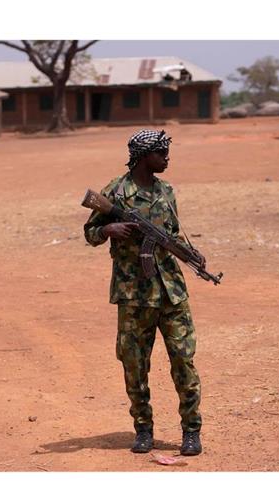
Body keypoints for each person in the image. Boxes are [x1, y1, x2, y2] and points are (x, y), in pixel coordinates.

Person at [83, 129, 204, 456]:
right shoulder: (117, 192)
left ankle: (191, 429)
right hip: (133, 295)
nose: (167, 158)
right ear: (143, 156)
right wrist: (110, 229)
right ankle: (143, 428)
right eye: (161, 153)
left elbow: (174, 235)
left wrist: (190, 255)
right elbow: (90, 233)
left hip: (171, 292)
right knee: (135, 364)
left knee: (183, 359)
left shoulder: (166, 192)